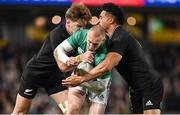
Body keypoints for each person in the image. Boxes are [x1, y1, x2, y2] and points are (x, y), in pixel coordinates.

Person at [62, 3, 164, 114]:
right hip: (135, 88)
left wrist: (82, 79)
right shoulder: (109, 39)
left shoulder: (119, 37)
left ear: (110, 20)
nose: (98, 19)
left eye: (101, 17)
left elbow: (107, 66)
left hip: (149, 84)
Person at [11, 3, 92, 114]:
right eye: (78, 26)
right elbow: (63, 66)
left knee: (72, 110)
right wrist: (81, 58)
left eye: (84, 27)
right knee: (20, 112)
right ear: (68, 22)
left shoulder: (81, 37)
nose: (81, 30)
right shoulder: (57, 34)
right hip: (35, 73)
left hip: (54, 77)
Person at [54, 25, 111, 114]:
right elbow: (57, 51)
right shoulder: (81, 35)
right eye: (89, 42)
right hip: (80, 72)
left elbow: (101, 87)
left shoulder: (106, 55)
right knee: (72, 110)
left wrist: (81, 81)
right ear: (87, 35)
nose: (91, 47)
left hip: (97, 81)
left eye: (95, 44)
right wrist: (69, 59)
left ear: (103, 40)